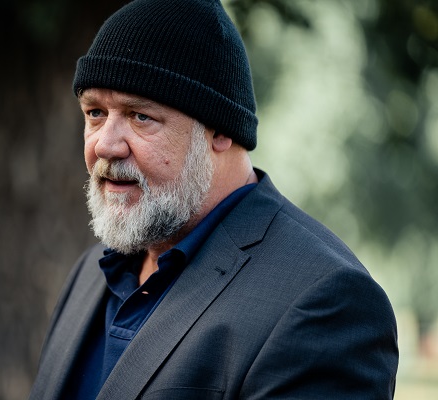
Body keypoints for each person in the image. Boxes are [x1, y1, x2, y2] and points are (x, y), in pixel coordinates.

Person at [28, 0, 399, 398]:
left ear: (220, 130)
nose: (105, 145)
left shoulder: (327, 302)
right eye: (95, 113)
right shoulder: (92, 271)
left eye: (140, 116)